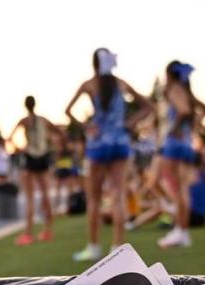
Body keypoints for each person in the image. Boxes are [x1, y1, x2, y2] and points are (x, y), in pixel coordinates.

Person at [65, 48, 153, 260]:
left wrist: (86, 126)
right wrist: (131, 122)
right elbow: (148, 106)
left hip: (98, 145)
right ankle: (118, 248)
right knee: (118, 195)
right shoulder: (120, 83)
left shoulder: (89, 84)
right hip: (120, 143)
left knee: (94, 198)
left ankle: (94, 247)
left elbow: (68, 110)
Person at [157, 60, 205, 249]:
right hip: (186, 143)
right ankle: (182, 231)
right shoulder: (186, 91)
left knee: (174, 185)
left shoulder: (173, 89)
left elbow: (184, 111)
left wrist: (174, 129)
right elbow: (202, 110)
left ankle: (179, 228)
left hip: (175, 143)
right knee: (182, 188)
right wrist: (192, 128)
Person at [8, 96, 61, 245]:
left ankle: (28, 233)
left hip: (31, 158)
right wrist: (52, 145)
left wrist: (20, 148)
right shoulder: (43, 120)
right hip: (43, 157)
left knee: (30, 197)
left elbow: (10, 138)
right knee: (45, 195)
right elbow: (59, 131)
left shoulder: (25, 121)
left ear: (25, 106)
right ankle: (48, 230)